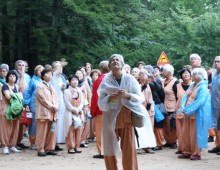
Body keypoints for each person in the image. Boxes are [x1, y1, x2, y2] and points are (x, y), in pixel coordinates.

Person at [98, 54, 147, 170]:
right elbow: (100, 102)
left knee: (129, 149)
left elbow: (140, 97)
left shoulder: (130, 79)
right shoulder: (105, 81)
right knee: (109, 147)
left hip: (126, 118)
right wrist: (110, 98)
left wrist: (127, 95)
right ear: (109, 65)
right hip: (110, 118)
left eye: (118, 60)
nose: (115, 61)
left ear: (122, 64)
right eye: (113, 60)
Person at [177, 68, 211, 160]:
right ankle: (186, 151)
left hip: (197, 114)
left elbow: (200, 102)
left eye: (193, 75)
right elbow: (185, 96)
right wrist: (183, 107)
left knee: (195, 134)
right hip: (187, 113)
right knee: (186, 133)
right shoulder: (193, 84)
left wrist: (187, 110)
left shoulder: (203, 87)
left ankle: (196, 153)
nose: (191, 76)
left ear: (198, 76)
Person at [35, 68, 58, 157]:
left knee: (51, 131)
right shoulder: (40, 86)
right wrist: (51, 106)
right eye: (47, 74)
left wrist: (55, 106)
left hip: (52, 112)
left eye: (51, 74)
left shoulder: (51, 87)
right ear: (43, 76)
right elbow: (42, 99)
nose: (50, 76)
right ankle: (40, 149)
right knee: (42, 131)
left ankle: (49, 148)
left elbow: (56, 98)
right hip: (43, 112)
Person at [0, 70, 23, 154]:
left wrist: (14, 95)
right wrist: (17, 96)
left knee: (15, 128)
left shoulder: (17, 86)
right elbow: (8, 97)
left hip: (16, 110)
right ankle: (5, 146)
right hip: (6, 109)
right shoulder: (5, 86)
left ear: (16, 78)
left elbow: (21, 97)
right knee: (6, 128)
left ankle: (12, 145)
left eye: (14, 76)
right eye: (10, 76)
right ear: (7, 77)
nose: (12, 77)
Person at [23, 65, 44, 150]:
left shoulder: (45, 81)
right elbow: (27, 92)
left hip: (43, 105)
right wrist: (26, 103)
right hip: (34, 104)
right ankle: (32, 142)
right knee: (34, 123)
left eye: (42, 70)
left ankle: (41, 142)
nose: (40, 72)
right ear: (36, 72)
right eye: (39, 70)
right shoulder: (33, 80)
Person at [90, 60, 109, 159]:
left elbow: (95, 98)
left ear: (101, 69)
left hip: (101, 110)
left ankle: (102, 151)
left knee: (100, 131)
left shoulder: (98, 81)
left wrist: (93, 111)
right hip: (112, 109)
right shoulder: (114, 79)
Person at [63, 75, 84, 154]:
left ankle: (77, 146)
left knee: (78, 129)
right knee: (70, 130)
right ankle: (70, 146)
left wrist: (78, 109)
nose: (75, 82)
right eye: (73, 80)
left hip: (78, 112)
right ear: (69, 81)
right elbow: (67, 103)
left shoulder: (79, 91)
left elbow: (82, 102)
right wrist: (73, 109)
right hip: (70, 113)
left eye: (76, 80)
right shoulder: (67, 91)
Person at [14, 60, 31, 150]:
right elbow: (19, 87)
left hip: (24, 102)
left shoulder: (27, 77)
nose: (21, 67)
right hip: (15, 102)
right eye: (19, 65)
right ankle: (13, 142)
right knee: (15, 123)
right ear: (16, 67)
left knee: (22, 123)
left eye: (23, 65)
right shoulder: (13, 75)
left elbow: (28, 90)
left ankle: (19, 141)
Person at [50, 61, 67, 150]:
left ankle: (56, 142)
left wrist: (63, 88)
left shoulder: (60, 78)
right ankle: (51, 143)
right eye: (59, 67)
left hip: (61, 101)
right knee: (54, 123)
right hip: (53, 102)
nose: (61, 68)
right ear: (53, 69)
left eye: (61, 67)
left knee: (60, 123)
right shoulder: (52, 77)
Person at [162, 64, 179, 149]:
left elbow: (178, 95)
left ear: (169, 72)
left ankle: (173, 141)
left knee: (172, 124)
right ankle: (168, 141)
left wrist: (177, 107)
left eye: (164, 70)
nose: (162, 72)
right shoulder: (163, 81)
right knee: (165, 124)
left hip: (172, 106)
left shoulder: (175, 82)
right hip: (164, 106)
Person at [175, 68, 192, 154]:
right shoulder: (178, 85)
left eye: (187, 73)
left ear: (190, 75)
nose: (185, 75)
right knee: (180, 130)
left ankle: (190, 147)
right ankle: (181, 147)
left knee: (190, 130)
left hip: (191, 111)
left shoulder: (194, 85)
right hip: (180, 110)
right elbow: (176, 97)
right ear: (181, 75)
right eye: (183, 73)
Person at [75, 69, 91, 148]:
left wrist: (89, 105)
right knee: (77, 123)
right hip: (76, 107)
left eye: (80, 73)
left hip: (85, 106)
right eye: (77, 73)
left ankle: (82, 140)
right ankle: (76, 140)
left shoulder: (85, 83)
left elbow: (89, 94)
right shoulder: (73, 84)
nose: (78, 74)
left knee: (85, 123)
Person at [208, 56, 220, 155]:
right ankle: (218, 145)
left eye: (219, 62)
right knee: (215, 126)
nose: (217, 63)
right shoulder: (214, 73)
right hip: (213, 103)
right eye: (215, 61)